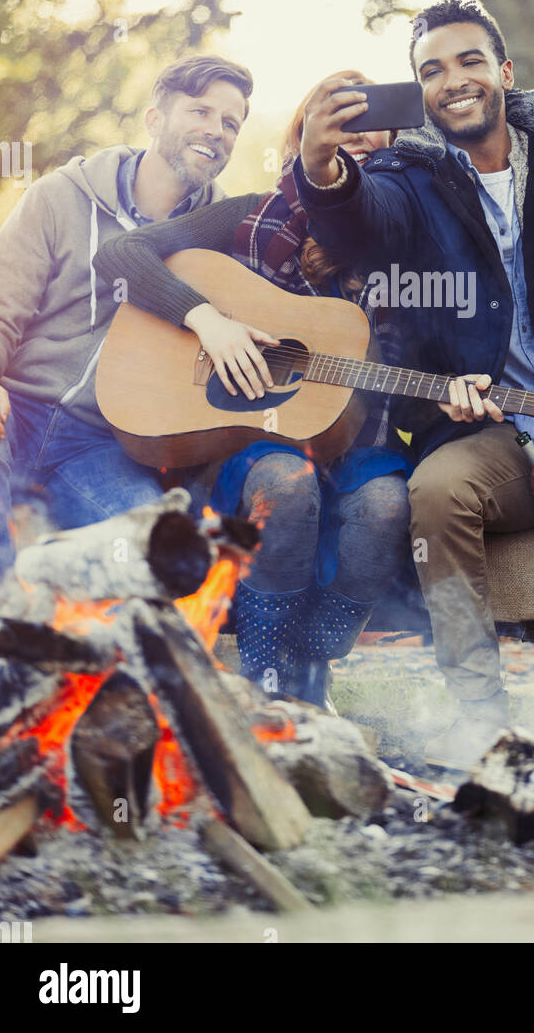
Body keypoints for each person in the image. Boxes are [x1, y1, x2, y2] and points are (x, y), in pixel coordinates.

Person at [295, 0, 534, 785]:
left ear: (504, 72)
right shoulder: (407, 173)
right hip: (490, 432)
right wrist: (321, 170)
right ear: (419, 90)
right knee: (437, 490)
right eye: (431, 71)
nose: (454, 81)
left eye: (470, 60)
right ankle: (480, 717)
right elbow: (361, 227)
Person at [94, 77, 412, 709]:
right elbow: (122, 253)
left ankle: (312, 661)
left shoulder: (410, 238)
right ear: (307, 140)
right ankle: (267, 678)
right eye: (342, 137)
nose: (356, 157)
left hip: (361, 443)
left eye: (375, 152)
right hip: (257, 435)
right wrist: (205, 318)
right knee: (285, 486)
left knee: (386, 508)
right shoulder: (248, 215)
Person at [0, 53, 253, 586]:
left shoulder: (225, 238)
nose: (216, 131)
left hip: (99, 445)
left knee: (153, 556)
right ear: (155, 120)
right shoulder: (59, 196)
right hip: (11, 415)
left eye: (231, 122)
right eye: (200, 111)